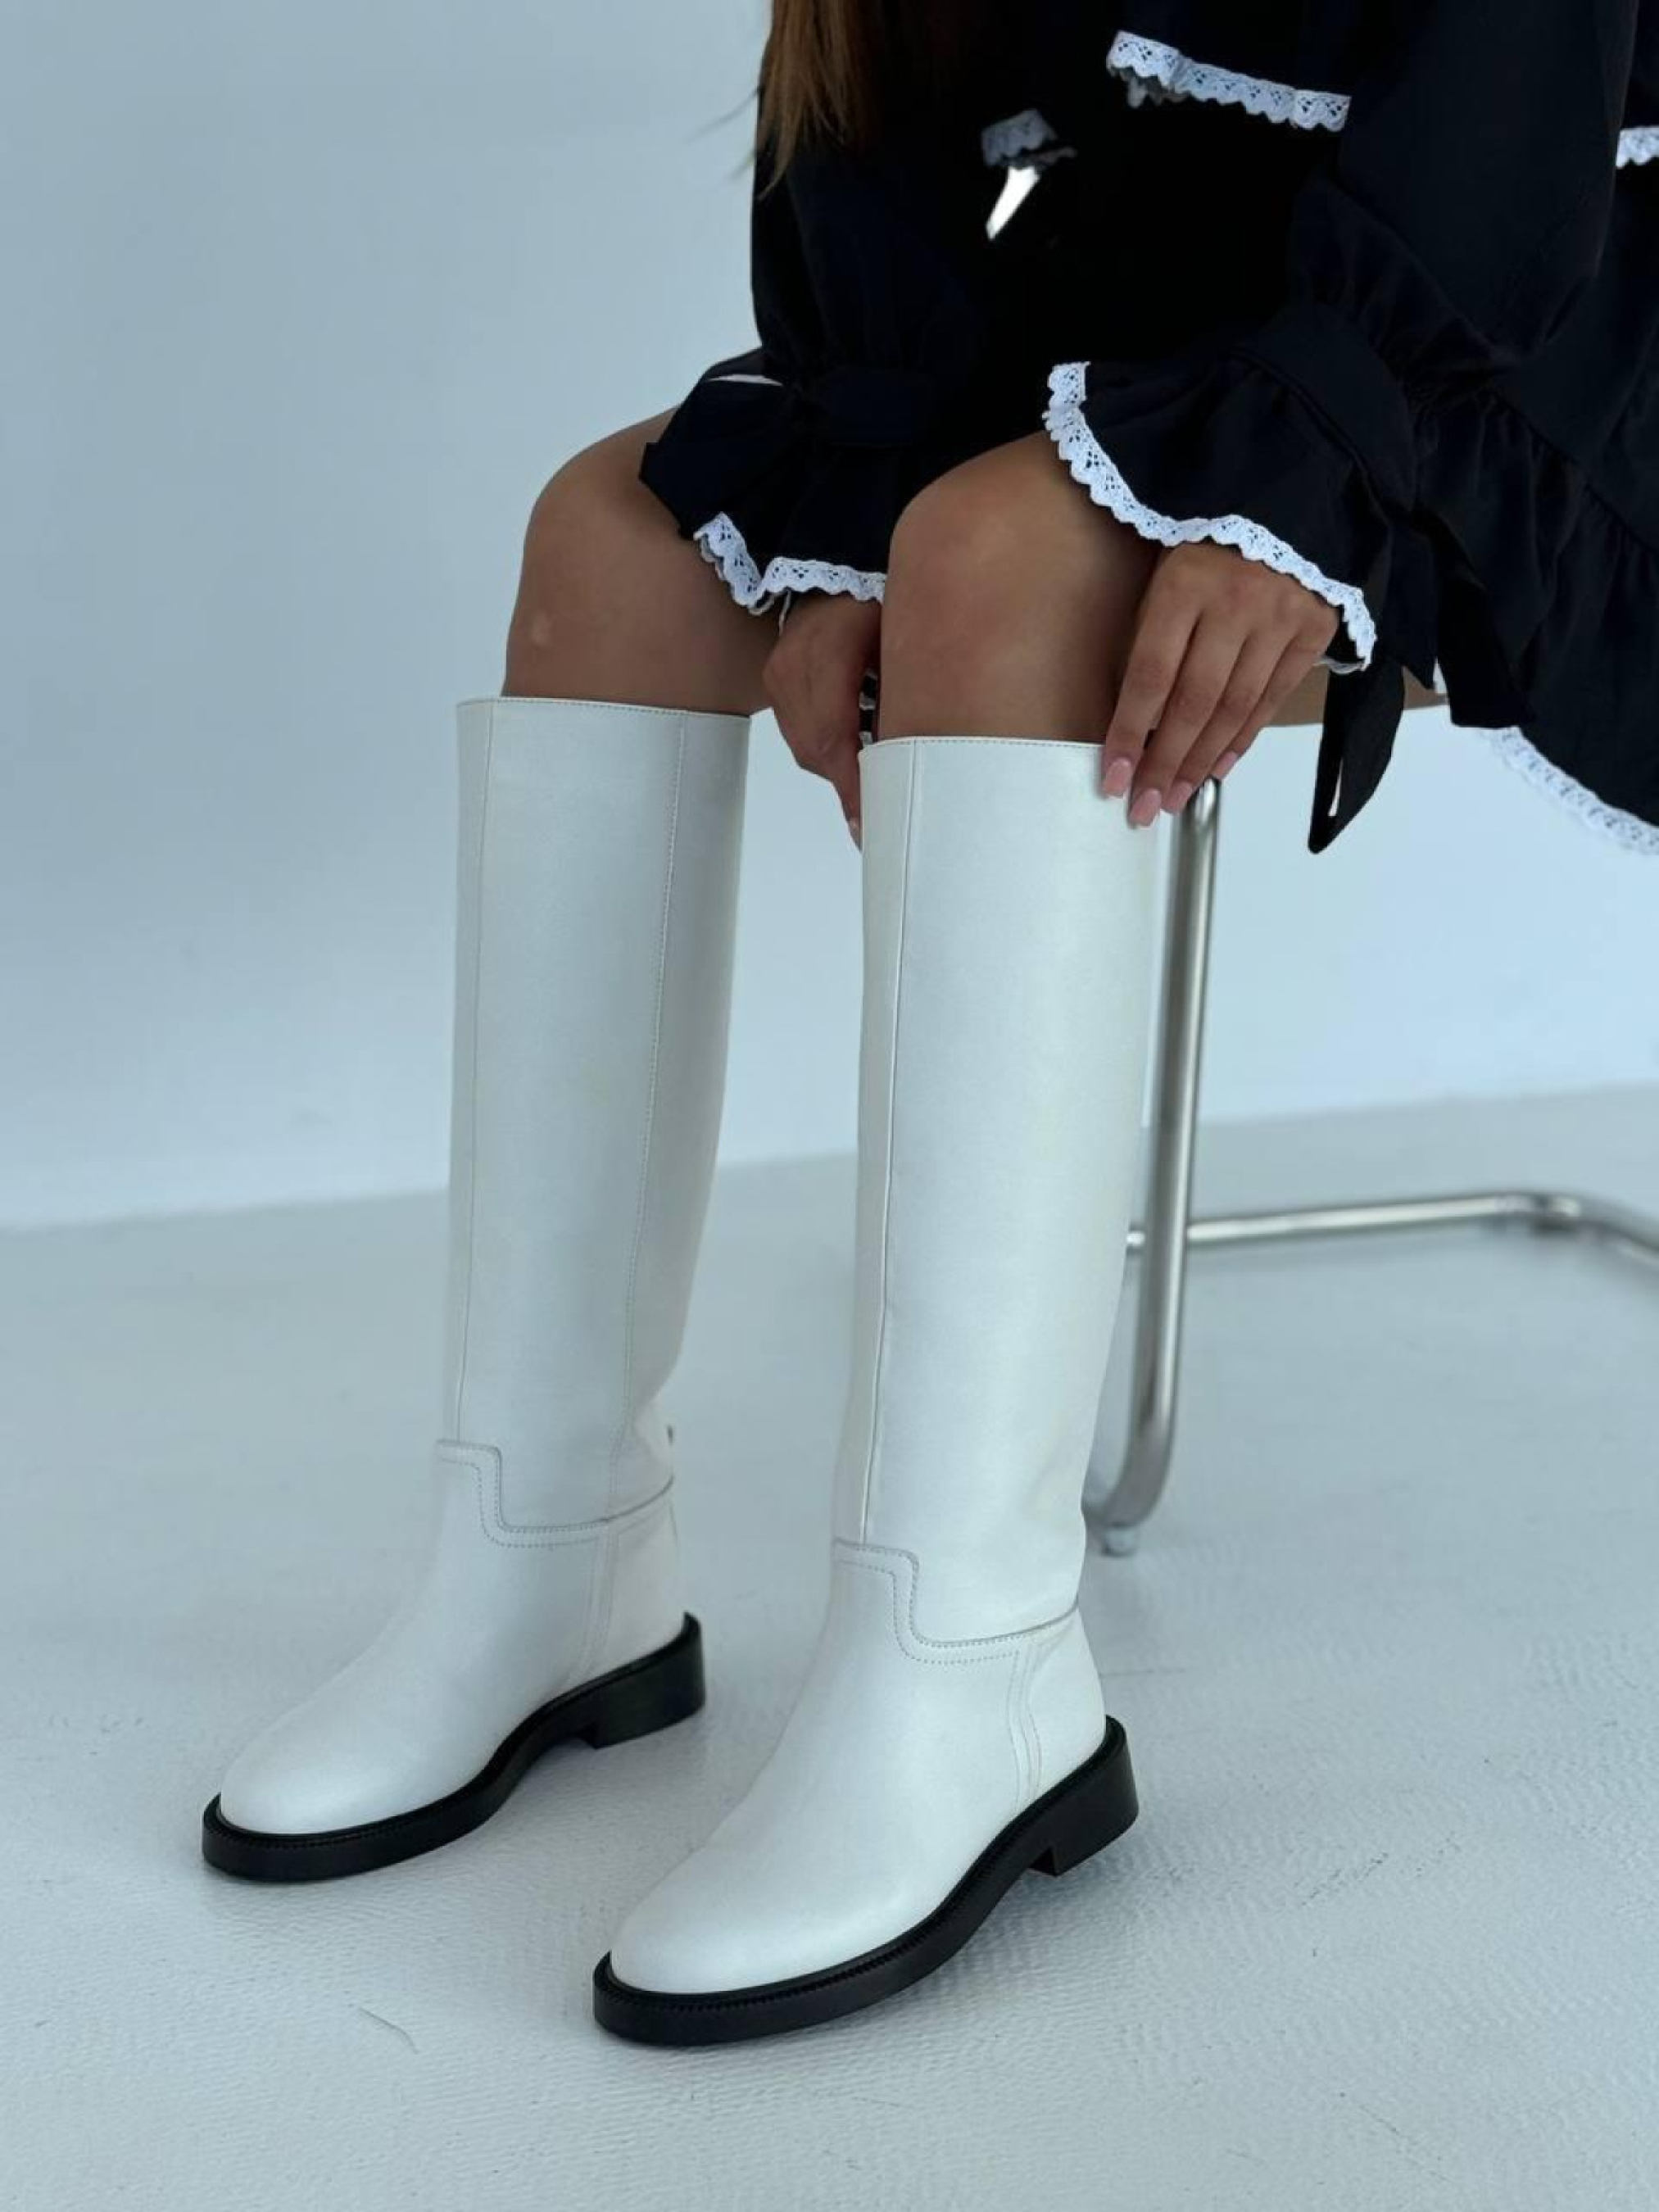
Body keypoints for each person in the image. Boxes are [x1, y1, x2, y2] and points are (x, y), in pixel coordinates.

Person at [202, 1, 1659, 2043]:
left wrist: (1309, 447)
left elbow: (1513, 93)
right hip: (1145, 284)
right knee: (608, 542)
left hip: (1500, 307)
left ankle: (970, 1661)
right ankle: (547, 1548)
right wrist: (848, 483)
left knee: (993, 556)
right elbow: (870, 119)